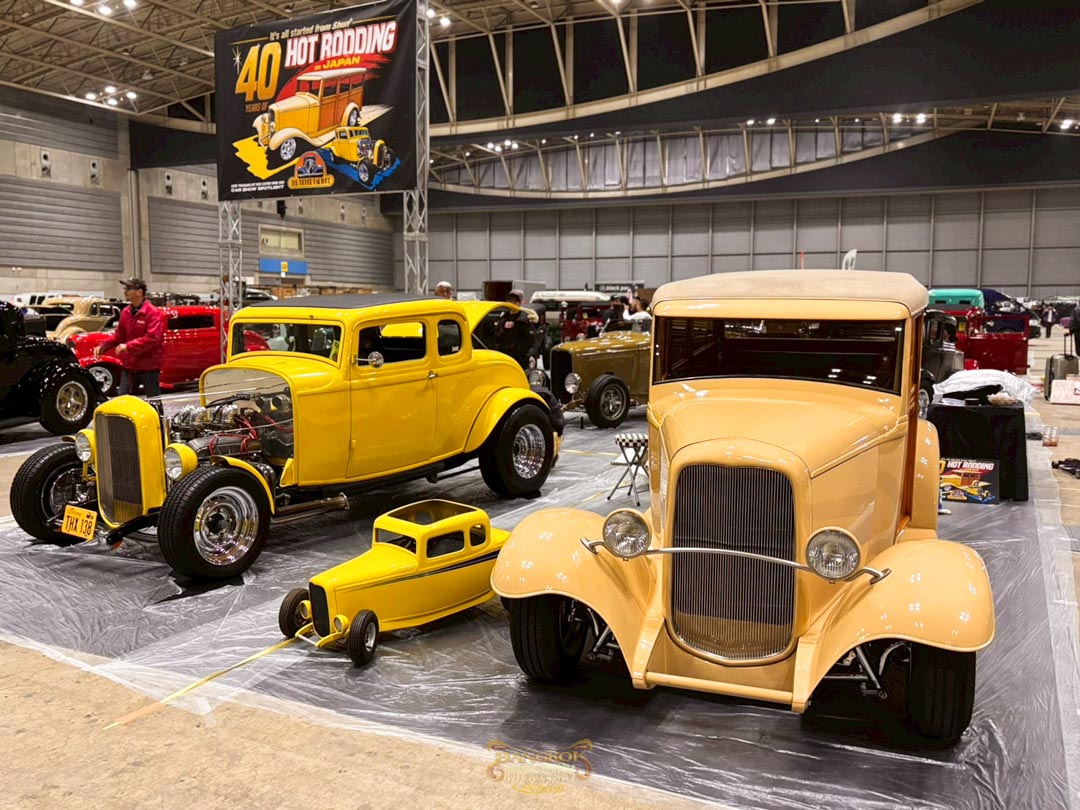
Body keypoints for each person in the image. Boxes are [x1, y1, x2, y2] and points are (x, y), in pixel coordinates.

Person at [94, 278, 165, 397]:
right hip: (129, 365)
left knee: (153, 400)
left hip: (148, 366)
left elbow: (153, 337)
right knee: (123, 398)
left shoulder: (153, 313)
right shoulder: (126, 312)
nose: (125, 292)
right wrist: (104, 345)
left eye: (128, 289)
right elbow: (119, 334)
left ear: (139, 292)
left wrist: (128, 347)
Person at [496, 290, 541, 370]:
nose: (512, 303)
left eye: (515, 301)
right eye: (510, 301)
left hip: (520, 358)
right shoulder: (503, 318)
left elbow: (530, 339)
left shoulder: (525, 318)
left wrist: (527, 354)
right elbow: (497, 335)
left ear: (520, 303)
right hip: (504, 356)